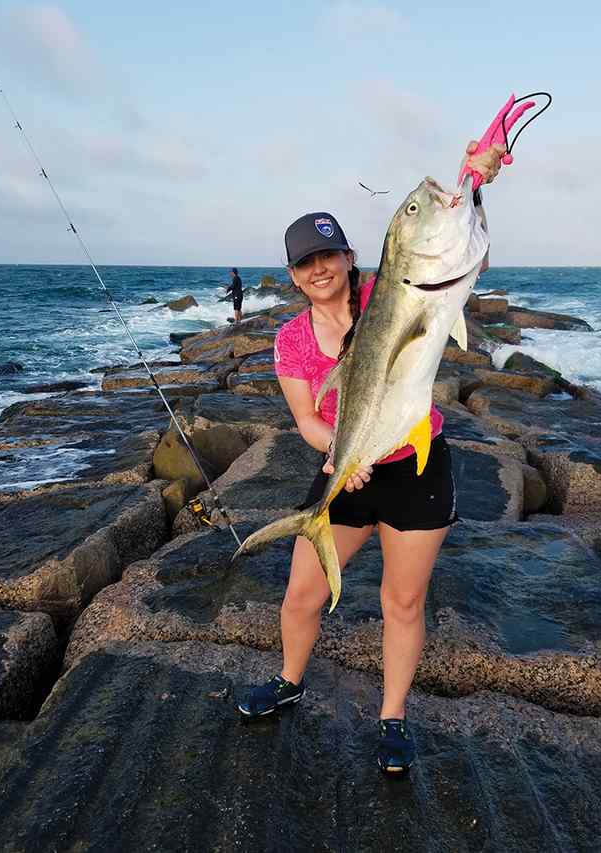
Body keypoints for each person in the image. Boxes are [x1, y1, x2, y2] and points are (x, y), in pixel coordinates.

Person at [237, 142, 506, 774]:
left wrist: (478, 183)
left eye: (328, 254)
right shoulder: (292, 340)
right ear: (293, 274)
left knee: (402, 602)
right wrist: (340, 453)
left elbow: (466, 257)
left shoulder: (396, 289)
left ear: (350, 257)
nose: (319, 268)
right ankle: (288, 680)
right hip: (347, 469)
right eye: (305, 262)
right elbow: (307, 418)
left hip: (416, 467)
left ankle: (392, 718)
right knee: (302, 592)